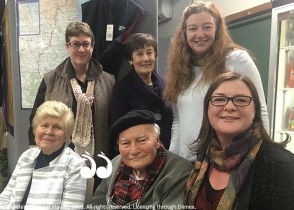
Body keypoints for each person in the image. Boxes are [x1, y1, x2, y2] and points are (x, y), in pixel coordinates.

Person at [163, 1, 269, 162]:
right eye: (192, 28)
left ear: (217, 29)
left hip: (225, 160)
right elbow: (178, 121)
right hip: (187, 163)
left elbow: (260, 110)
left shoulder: (236, 60)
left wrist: (264, 156)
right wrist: (171, 159)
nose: (200, 34)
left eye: (207, 27)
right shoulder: (181, 68)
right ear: (184, 33)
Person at [184, 72, 294, 209]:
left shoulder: (282, 165)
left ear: (256, 111)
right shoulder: (203, 158)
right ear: (207, 108)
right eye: (219, 99)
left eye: (241, 100)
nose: (229, 107)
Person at [28, 21, 115, 188]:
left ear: (92, 46)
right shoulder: (50, 79)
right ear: (67, 46)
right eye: (76, 44)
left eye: (85, 44)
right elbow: (35, 120)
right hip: (59, 161)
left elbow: (112, 122)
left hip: (98, 162)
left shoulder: (109, 80)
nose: (81, 49)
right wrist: (35, 155)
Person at [0, 101, 87, 210]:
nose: (49, 132)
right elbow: (6, 197)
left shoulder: (75, 165)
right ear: (35, 129)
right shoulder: (26, 157)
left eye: (57, 127)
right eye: (44, 125)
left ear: (67, 135)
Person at [91, 110, 192, 208]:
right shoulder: (114, 164)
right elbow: (98, 200)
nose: (134, 151)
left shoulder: (179, 171)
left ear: (157, 140)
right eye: (125, 143)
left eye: (142, 140)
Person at [109, 33, 173, 155]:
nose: (145, 58)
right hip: (137, 155)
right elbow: (118, 131)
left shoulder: (167, 85)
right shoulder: (122, 89)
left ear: (155, 56)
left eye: (149, 53)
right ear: (130, 60)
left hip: (168, 154)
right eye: (139, 54)